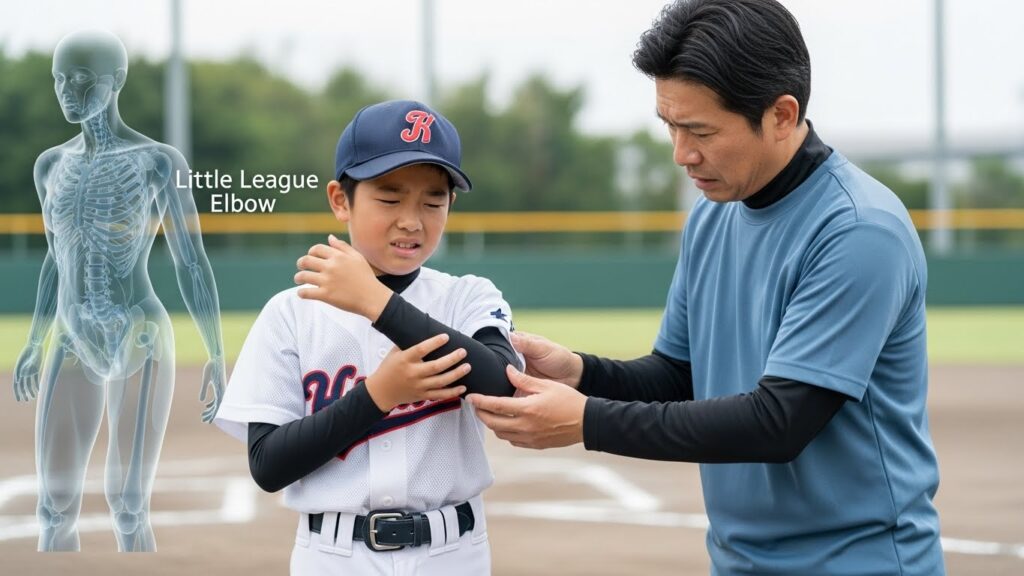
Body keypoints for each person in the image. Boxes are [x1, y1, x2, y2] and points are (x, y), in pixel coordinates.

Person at [467, 1, 946, 574]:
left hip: (858, 563)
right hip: (737, 562)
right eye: (669, 125)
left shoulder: (859, 231)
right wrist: (580, 373)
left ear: (782, 115)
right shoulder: (714, 213)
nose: (681, 154)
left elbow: (780, 422)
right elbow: (679, 376)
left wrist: (586, 419)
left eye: (700, 131)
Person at [214, 100, 520, 575]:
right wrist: (379, 395)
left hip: (453, 552)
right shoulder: (291, 313)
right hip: (334, 555)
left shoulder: (468, 297)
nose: (412, 220)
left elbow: (503, 385)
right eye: (390, 197)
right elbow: (268, 465)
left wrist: (379, 305)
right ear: (341, 200)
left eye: (433, 200)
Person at [11, 30, 226, 552]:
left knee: (128, 506)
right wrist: (34, 341)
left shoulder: (158, 161)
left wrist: (217, 353)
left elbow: (190, 260)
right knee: (53, 507)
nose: (68, 91)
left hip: (139, 333)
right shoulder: (50, 166)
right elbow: (54, 261)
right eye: (60, 79)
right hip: (70, 334)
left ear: (117, 82)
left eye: (82, 80)